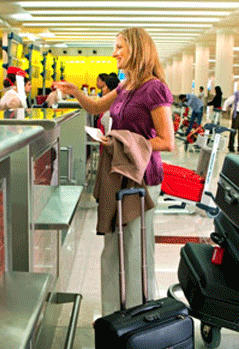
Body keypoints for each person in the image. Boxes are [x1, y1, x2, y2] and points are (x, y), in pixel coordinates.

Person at [54, 27, 174, 316]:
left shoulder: (154, 88)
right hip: (118, 174)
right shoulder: (125, 86)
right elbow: (96, 105)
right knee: (113, 246)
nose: (114, 52)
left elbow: (166, 141)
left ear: (137, 49)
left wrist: (122, 141)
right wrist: (75, 92)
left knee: (135, 248)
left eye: (119, 47)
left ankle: (138, 314)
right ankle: (113, 313)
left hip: (141, 178)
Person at [222, 81, 239, 152]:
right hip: (237, 115)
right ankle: (231, 146)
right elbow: (227, 101)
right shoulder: (236, 95)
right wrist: (224, 109)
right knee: (233, 131)